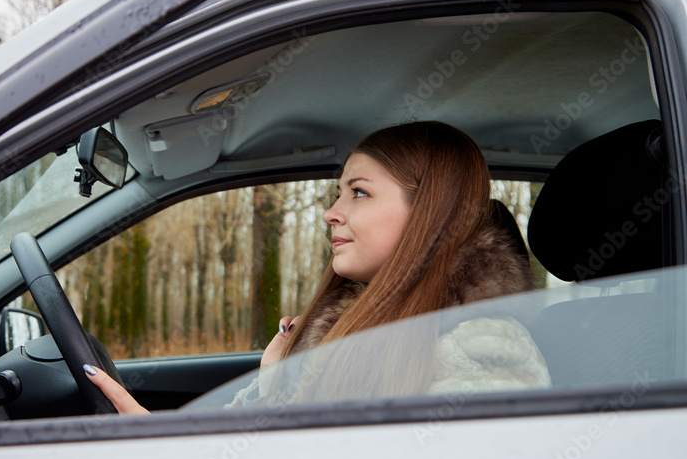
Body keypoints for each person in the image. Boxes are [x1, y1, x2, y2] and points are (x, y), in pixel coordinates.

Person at [84, 121, 550, 414]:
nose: (331, 211)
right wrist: (273, 382)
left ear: (430, 214)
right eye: (339, 192)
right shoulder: (360, 324)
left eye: (359, 192)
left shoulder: (483, 350)